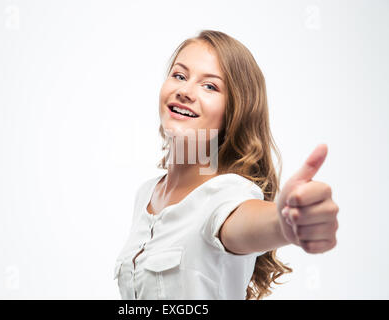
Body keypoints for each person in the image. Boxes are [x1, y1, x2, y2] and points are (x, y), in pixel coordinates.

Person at [113, 30, 339, 300]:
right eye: (179, 75)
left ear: (234, 113)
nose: (185, 91)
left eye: (209, 86)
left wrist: (285, 222)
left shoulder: (227, 194)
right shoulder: (146, 194)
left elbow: (249, 221)